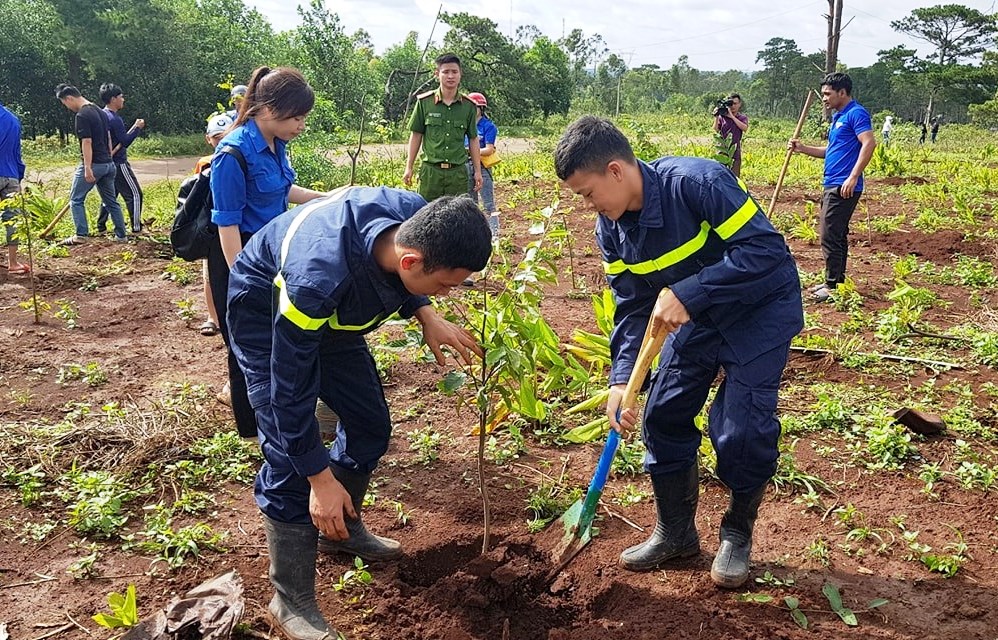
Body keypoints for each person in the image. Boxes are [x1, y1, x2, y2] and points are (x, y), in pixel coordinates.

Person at [226, 187, 492, 639]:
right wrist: (319, 478)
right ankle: (290, 600)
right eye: (446, 284)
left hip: (335, 315)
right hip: (267, 312)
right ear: (410, 264)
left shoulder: (414, 217)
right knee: (291, 460)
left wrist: (424, 310)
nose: (449, 293)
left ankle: (341, 532)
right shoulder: (316, 280)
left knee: (369, 424)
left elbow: (410, 266)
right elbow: (289, 396)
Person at [554, 116, 803, 589]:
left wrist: (691, 291)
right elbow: (631, 307)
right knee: (663, 415)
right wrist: (620, 382)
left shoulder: (697, 183)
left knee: (741, 431)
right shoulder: (611, 231)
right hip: (694, 319)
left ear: (615, 171)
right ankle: (676, 533)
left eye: (587, 194)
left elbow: (766, 253)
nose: (589, 206)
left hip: (759, 310)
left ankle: (736, 534)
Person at [209, 66, 328, 440]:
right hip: (238, 255)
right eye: (297, 117)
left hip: (273, 251)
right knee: (246, 343)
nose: (301, 125)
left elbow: (283, 192)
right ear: (270, 108)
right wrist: (243, 279)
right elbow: (226, 224)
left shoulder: (277, 145)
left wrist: (329, 197)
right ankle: (252, 428)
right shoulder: (232, 153)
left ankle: (284, 414)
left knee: (278, 336)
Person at [788, 72, 876, 303]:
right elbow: (831, 150)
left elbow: (869, 143)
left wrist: (853, 177)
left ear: (842, 92)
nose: (824, 98)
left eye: (828, 94)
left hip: (844, 185)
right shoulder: (839, 117)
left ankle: (834, 285)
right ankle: (835, 281)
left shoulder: (856, 113)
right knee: (835, 233)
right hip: (832, 182)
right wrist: (803, 148)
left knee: (830, 234)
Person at [55, 84, 128, 244]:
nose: (66, 107)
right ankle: (121, 235)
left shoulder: (82, 115)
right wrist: (108, 158)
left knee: (76, 199)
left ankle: (81, 235)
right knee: (111, 201)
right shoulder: (100, 111)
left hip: (94, 164)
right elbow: (108, 137)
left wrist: (87, 167)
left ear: (69, 98)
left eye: (64, 103)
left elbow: (86, 142)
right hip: (108, 164)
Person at [404, 53, 482, 201]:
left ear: (460, 74)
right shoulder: (424, 103)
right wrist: (409, 167)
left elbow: (473, 139)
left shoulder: (468, 106)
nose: (450, 76)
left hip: (457, 174)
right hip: (431, 173)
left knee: (457, 218)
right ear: (437, 74)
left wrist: (477, 171)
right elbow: (416, 135)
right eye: (445, 72)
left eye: (454, 72)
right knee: (425, 217)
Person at [196, 112, 235, 337]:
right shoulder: (204, 163)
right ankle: (213, 316)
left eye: (225, 136)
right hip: (211, 228)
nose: (221, 142)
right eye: (216, 137)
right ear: (208, 139)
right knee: (209, 275)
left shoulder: (238, 157)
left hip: (233, 224)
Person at [97, 83, 146, 235]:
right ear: (113, 99)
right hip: (118, 163)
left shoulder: (102, 115)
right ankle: (136, 228)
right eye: (121, 97)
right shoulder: (114, 119)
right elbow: (125, 142)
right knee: (135, 194)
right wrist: (137, 127)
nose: (123, 99)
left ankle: (101, 226)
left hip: (106, 162)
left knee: (110, 196)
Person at [465, 92, 499, 239]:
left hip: (482, 168)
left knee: (488, 203)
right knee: (471, 203)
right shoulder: (464, 125)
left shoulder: (488, 126)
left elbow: (489, 149)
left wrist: (470, 151)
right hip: (466, 166)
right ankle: (476, 235)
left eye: (476, 106)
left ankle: (495, 234)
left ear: (481, 108)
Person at [0, 100, 29, 274]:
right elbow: (17, 152)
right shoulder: (12, 119)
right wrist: (18, 175)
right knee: (12, 220)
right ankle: (13, 262)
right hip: (11, 175)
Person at [712, 93, 749, 177]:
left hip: (735, 149)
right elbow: (716, 129)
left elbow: (745, 128)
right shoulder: (722, 117)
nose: (733, 106)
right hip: (722, 149)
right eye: (731, 104)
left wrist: (731, 116)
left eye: (735, 104)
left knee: (734, 177)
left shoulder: (742, 117)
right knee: (720, 175)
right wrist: (716, 116)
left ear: (739, 104)